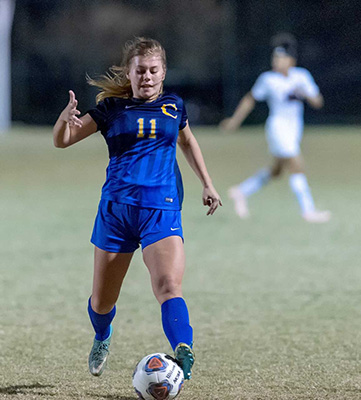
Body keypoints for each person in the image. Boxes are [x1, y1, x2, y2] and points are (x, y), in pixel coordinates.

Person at [53, 37, 222, 380]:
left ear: (163, 73)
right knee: (102, 303)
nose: (146, 76)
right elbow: (64, 140)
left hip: (161, 209)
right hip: (117, 212)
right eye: (140, 70)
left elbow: (187, 141)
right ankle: (102, 335)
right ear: (129, 73)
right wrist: (63, 121)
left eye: (153, 70)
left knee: (168, 286)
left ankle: (184, 349)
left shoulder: (174, 106)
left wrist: (207, 182)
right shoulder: (111, 110)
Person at [220, 34, 331, 223]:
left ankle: (241, 192)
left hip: (295, 128)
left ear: (291, 60)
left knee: (277, 171)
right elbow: (250, 99)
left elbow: (318, 101)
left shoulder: (301, 76)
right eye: (275, 58)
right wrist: (235, 121)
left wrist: (305, 93)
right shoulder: (268, 79)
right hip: (277, 127)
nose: (276, 62)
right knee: (297, 165)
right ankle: (308, 211)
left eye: (280, 58)